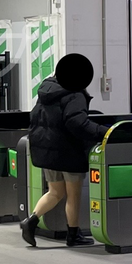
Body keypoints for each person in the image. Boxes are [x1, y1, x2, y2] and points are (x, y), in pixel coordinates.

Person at [20, 53, 109, 248]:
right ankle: (73, 235)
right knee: (73, 194)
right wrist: (104, 133)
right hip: (69, 150)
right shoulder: (74, 94)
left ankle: (31, 221)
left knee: (55, 192)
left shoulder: (47, 89)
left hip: (49, 150)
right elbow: (77, 123)